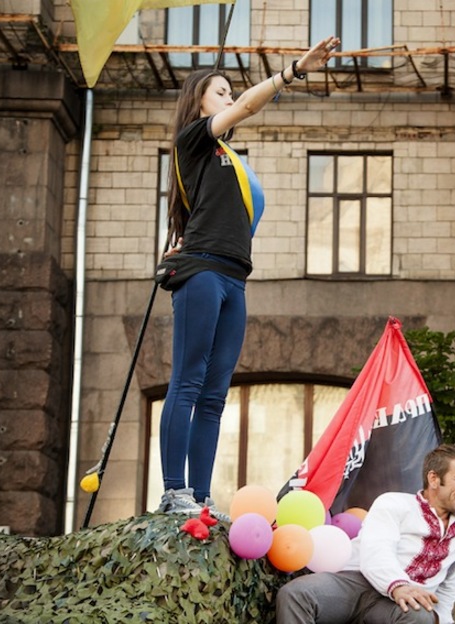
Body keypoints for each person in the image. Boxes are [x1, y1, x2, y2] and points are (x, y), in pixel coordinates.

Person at [155, 35, 341, 520]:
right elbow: (248, 110)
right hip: (202, 275)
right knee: (188, 383)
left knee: (216, 395)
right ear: (198, 101)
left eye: (231, 91)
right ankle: (173, 490)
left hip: (235, 281)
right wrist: (291, 72)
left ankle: (199, 497)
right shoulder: (193, 139)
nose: (231, 98)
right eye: (222, 92)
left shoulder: (227, 160)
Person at [276, 444, 455, 624]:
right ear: (433, 479)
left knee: (420, 617)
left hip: (397, 607)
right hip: (357, 584)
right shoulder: (394, 503)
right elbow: (376, 551)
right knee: (296, 594)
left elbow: (449, 578)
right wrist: (398, 586)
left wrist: (444, 619)